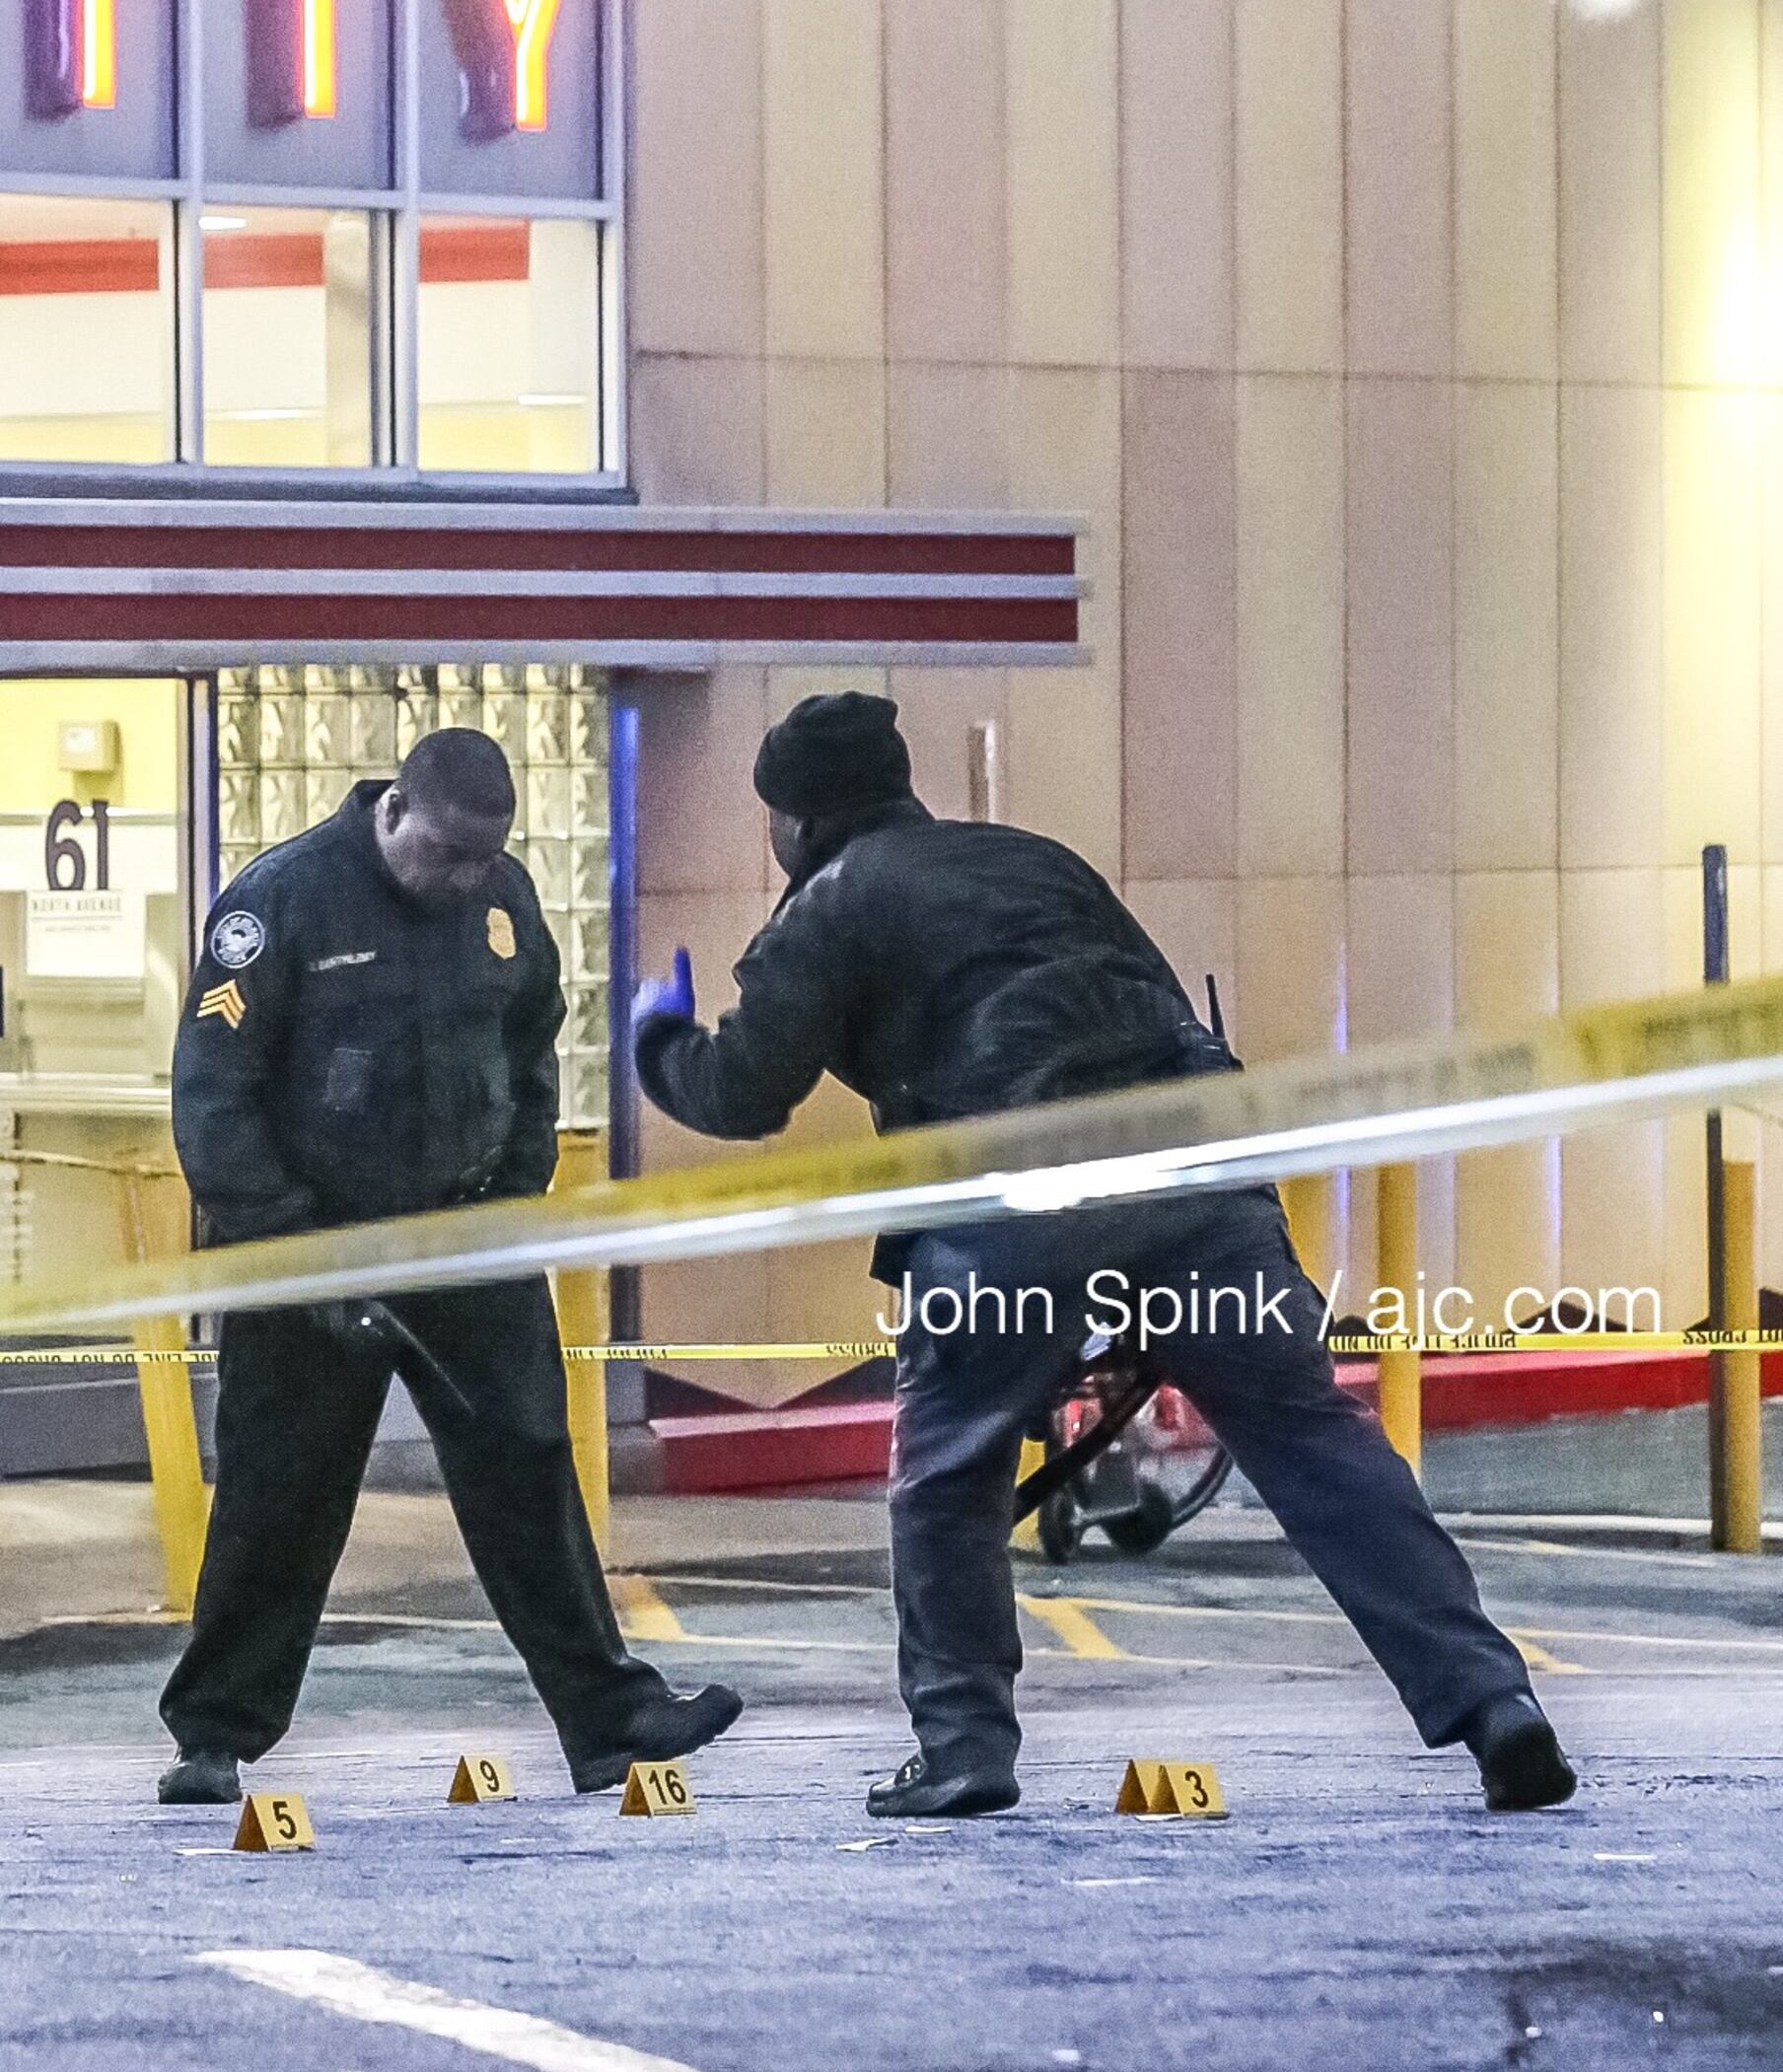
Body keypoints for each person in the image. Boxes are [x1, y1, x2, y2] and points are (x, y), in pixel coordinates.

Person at [630, 690, 1575, 1819]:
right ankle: (1492, 1703)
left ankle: (966, 1748)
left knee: (948, 1476)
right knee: (1317, 1445)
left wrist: (658, 1036)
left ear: (792, 820)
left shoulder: (830, 903)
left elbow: (743, 1093)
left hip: (1019, 1206)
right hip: (1202, 1179)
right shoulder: (1038, 858)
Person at [158, 728, 745, 1806]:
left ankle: (611, 1722)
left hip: (467, 1239)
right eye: (445, 855)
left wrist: (516, 1194)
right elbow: (212, 1095)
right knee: (280, 1497)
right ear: (393, 813)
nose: (464, 877)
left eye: (484, 857)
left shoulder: (502, 897)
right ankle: (213, 1735)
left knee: (528, 1468)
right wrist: (296, 1251)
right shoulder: (280, 905)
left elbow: (532, 1049)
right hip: (312, 1247)